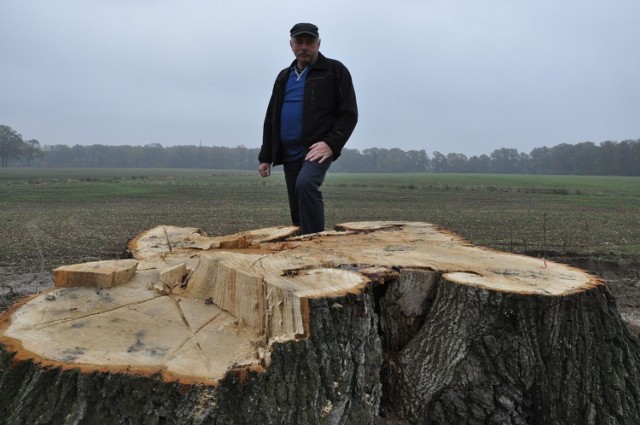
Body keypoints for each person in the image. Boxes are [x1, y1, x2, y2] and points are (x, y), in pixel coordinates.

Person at [258, 23, 358, 235]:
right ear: (291, 45)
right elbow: (271, 117)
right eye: (299, 42)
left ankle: (314, 243)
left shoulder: (334, 71)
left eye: (309, 42)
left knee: (305, 185)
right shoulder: (283, 76)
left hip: (316, 149)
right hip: (289, 151)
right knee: (296, 203)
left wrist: (331, 143)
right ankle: (301, 248)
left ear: (318, 44)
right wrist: (265, 155)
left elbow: (349, 114)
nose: (304, 47)